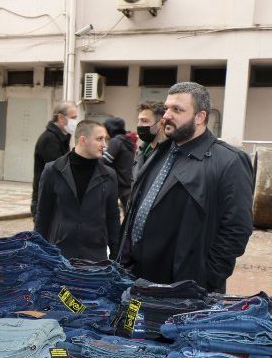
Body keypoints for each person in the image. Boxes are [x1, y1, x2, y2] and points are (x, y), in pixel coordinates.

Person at [118, 82, 253, 293]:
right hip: (138, 276)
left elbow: (236, 229)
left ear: (200, 117)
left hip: (185, 288)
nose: (167, 116)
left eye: (177, 110)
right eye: (166, 109)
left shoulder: (229, 161)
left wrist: (205, 279)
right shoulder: (160, 152)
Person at [35, 120, 120, 261]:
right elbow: (43, 215)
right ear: (83, 140)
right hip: (59, 254)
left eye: (105, 139)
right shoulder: (53, 170)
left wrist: (116, 255)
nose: (104, 145)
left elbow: (113, 218)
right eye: (99, 139)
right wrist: (38, 251)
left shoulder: (109, 175)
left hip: (95, 258)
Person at [32, 101, 77, 217]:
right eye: (73, 117)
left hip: (56, 199)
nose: (75, 121)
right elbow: (59, 170)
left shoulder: (63, 137)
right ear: (61, 118)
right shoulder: (49, 139)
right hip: (47, 200)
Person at [102, 117, 136, 212]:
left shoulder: (116, 141)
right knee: (128, 212)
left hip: (121, 184)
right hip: (127, 182)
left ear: (110, 128)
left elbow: (106, 160)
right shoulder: (125, 139)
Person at [133, 101, 168, 180]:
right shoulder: (141, 150)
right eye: (139, 121)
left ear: (161, 123)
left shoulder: (170, 153)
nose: (139, 125)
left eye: (145, 121)